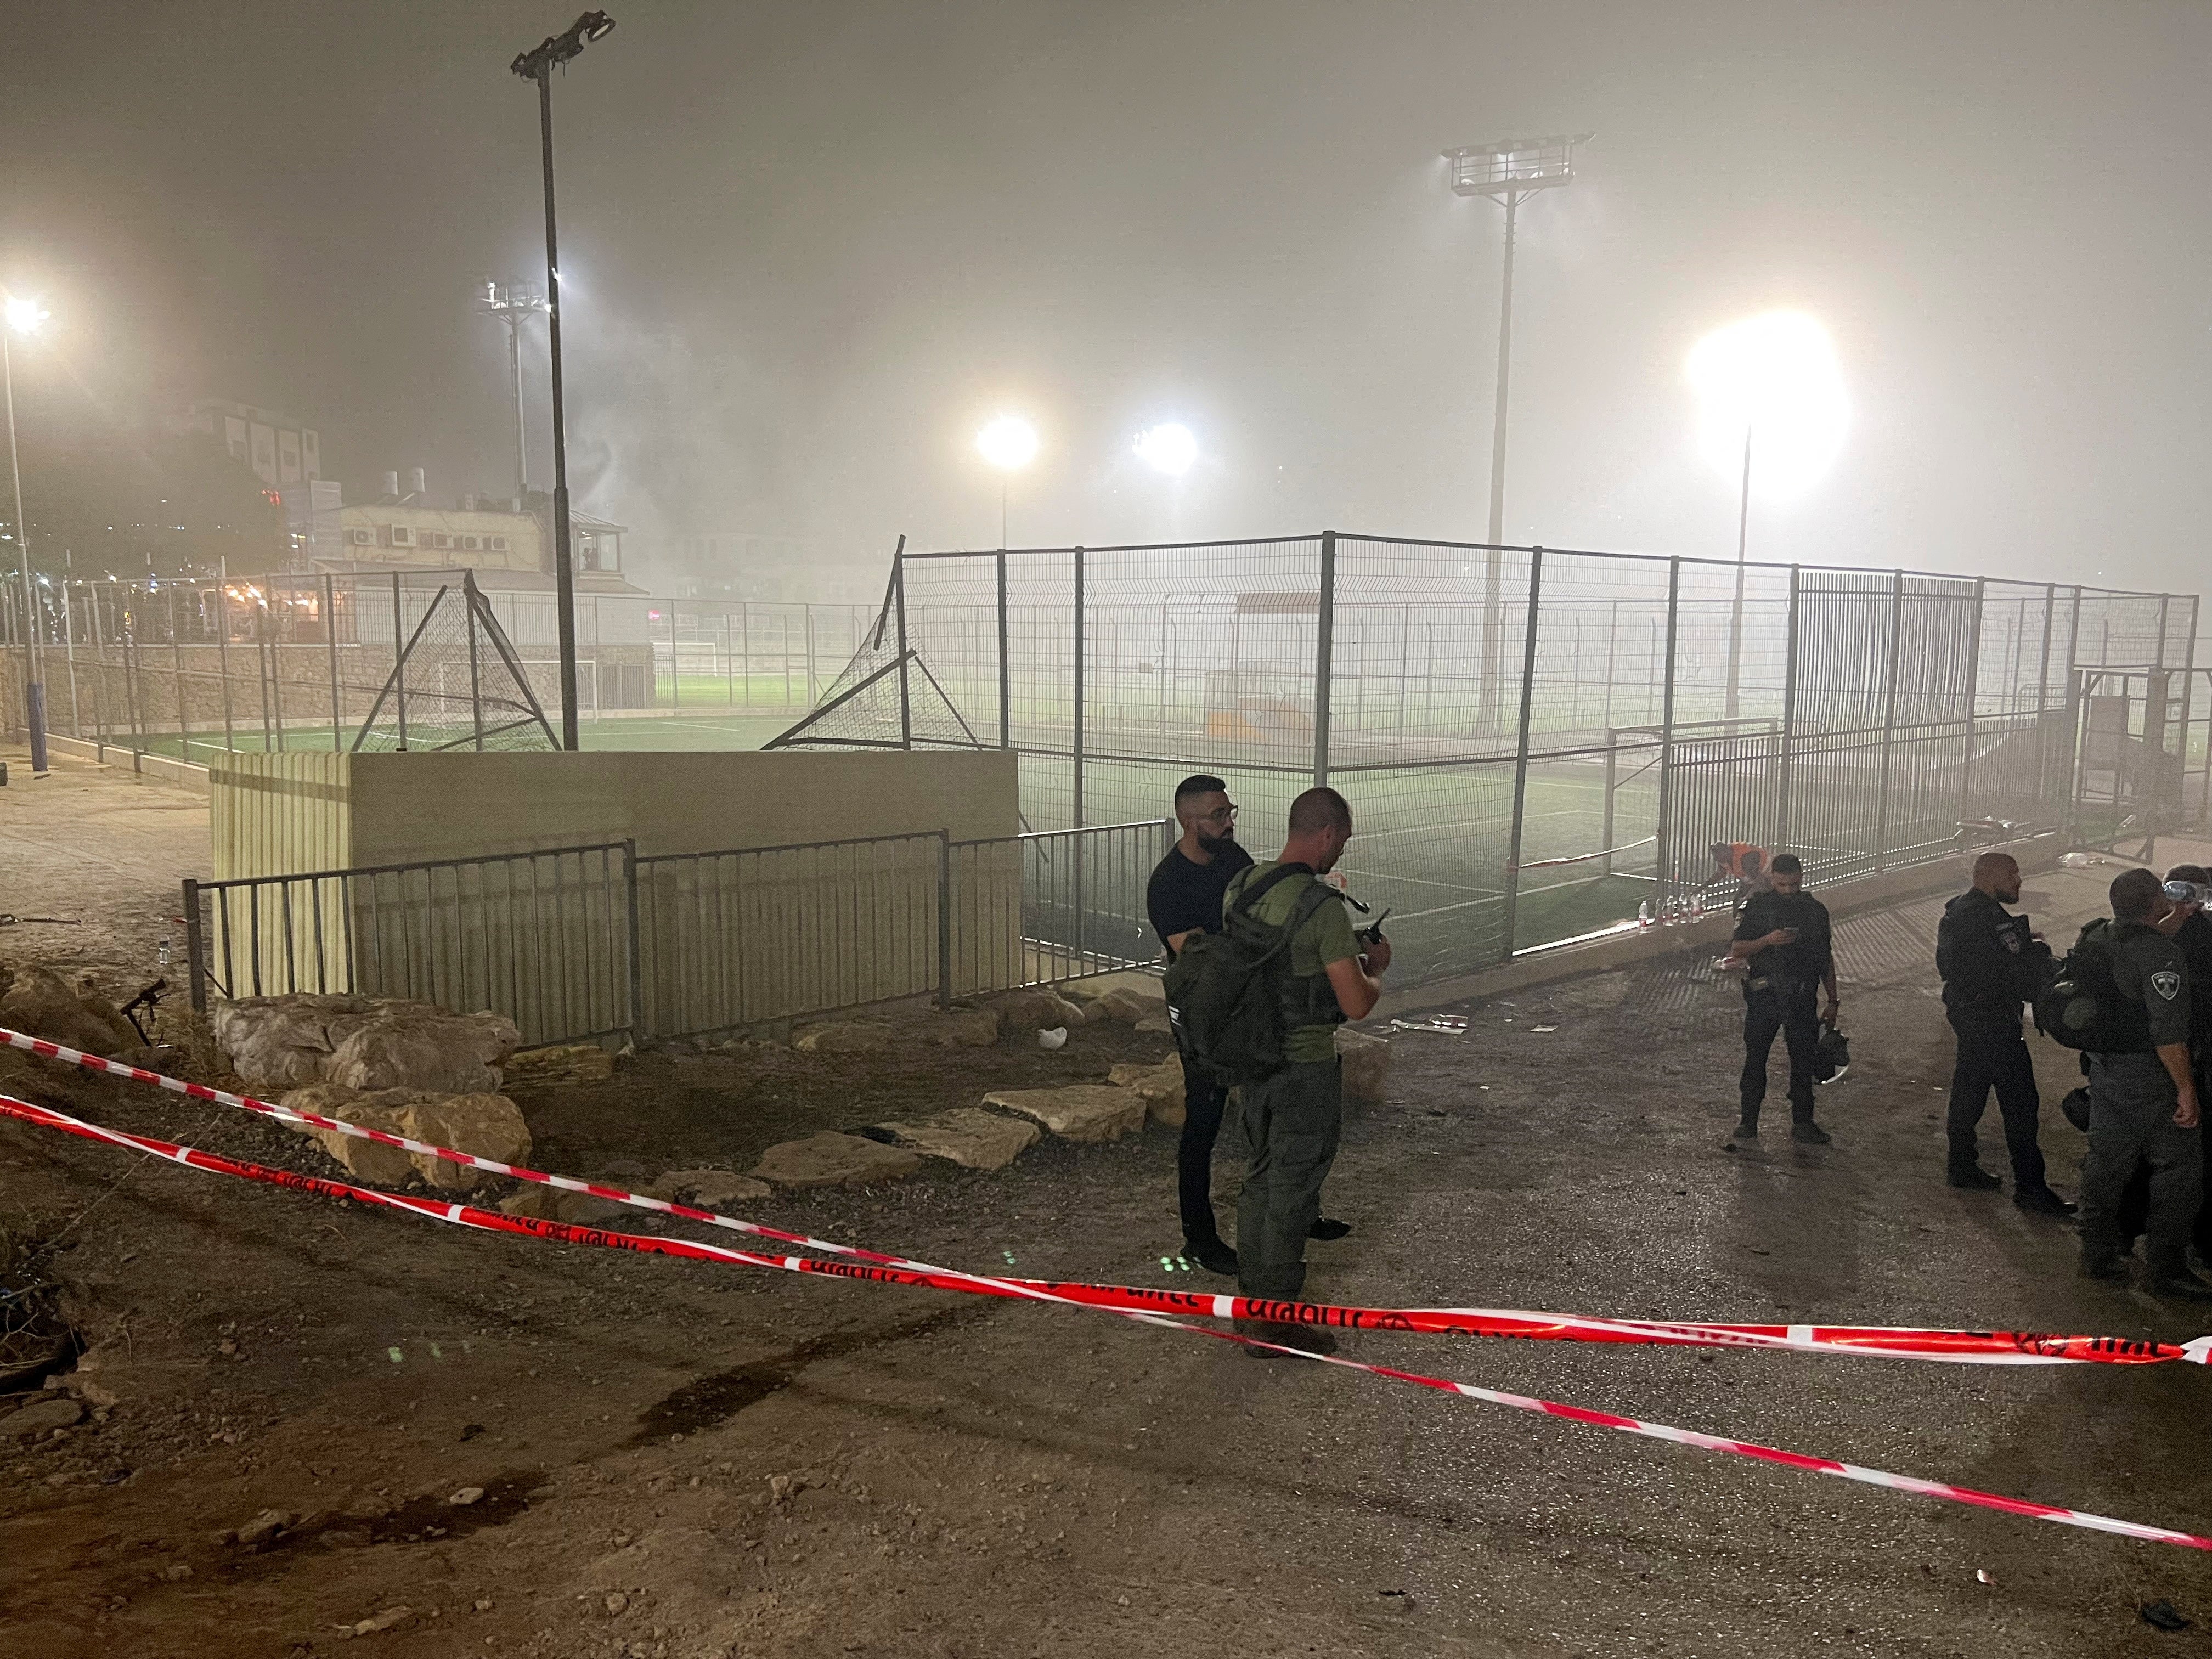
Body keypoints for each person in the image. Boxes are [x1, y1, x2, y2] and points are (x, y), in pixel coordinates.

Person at [1224, 786, 1388, 1357]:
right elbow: (1357, 1003)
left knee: (1261, 1177)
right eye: (1340, 840)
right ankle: (1277, 1322)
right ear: (1326, 835)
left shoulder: (1242, 887)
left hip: (1252, 1061)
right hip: (1305, 1066)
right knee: (1294, 1188)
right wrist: (1377, 968)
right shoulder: (1321, 910)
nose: (1340, 852)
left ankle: (1251, 1303)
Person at [2076, 868, 2211, 1299]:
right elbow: (2167, 1032)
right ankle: (2166, 1266)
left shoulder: (2099, 935)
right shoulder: (2161, 957)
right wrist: (2186, 1090)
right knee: (2180, 1168)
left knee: (2106, 1161)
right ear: (2156, 901)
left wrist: (2180, 917)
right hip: (2150, 1076)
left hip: (2106, 1067)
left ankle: (2096, 1251)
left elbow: (2138, 950)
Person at [1144, 774, 1254, 1275]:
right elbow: (1198, 958)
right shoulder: (1168, 883)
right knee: (1204, 1122)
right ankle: (1199, 1237)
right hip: (1203, 1015)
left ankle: (1294, 1211)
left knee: (1272, 1109)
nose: (1228, 822)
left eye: (1230, 811)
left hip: (1249, 1002)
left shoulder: (1234, 859)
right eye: (1218, 815)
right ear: (1189, 821)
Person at [1935, 851, 2072, 1214]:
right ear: (1992, 876)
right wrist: (2034, 958)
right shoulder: (1985, 918)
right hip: (1993, 1021)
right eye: (2013, 874)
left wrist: (2021, 943)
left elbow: (1973, 961)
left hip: (1970, 1017)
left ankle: (1961, 1165)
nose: (2019, 881)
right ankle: (2030, 1186)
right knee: (2021, 1105)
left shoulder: (1962, 910)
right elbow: (1999, 972)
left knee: (1970, 1091)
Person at [1726, 853, 1839, 1145]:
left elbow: (1825, 958)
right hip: (1765, 996)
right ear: (1772, 878)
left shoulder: (1815, 911)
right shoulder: (1759, 907)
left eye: (1794, 884)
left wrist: (1833, 1001)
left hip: (1802, 995)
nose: (1788, 890)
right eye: (1781, 884)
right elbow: (1738, 949)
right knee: (1756, 1059)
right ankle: (1748, 1122)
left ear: (1802, 878)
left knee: (1803, 1062)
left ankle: (1803, 1122)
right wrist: (1767, 940)